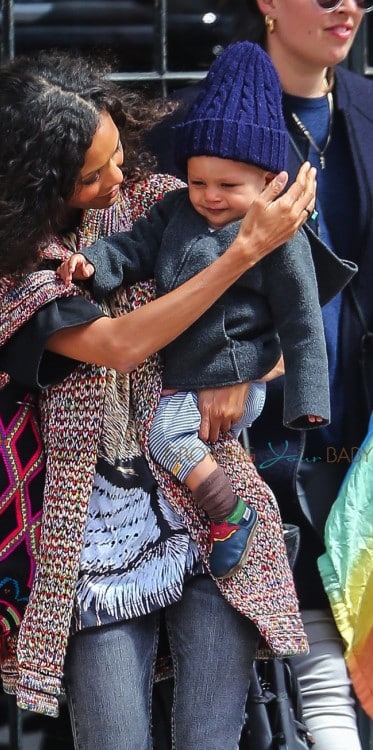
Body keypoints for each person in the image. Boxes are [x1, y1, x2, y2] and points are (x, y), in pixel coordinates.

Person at [0, 50, 316, 750]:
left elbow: (283, 319)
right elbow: (115, 344)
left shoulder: (159, 199)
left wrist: (245, 366)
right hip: (87, 535)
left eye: (118, 153)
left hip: (209, 504)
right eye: (93, 173)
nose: (119, 179)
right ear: (38, 182)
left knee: (211, 738)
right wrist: (237, 256)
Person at [149, 2, 373, 748]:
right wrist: (231, 365)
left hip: (348, 411)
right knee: (233, 647)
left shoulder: (366, 110)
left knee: (333, 616)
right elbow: (155, 270)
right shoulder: (199, 125)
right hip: (228, 428)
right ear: (267, 4)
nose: (345, 4)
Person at [57, 41, 356, 582]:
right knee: (167, 442)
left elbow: (303, 323)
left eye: (229, 186)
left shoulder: (280, 242)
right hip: (183, 371)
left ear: (269, 183)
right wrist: (91, 266)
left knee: (166, 438)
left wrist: (310, 402)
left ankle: (230, 516)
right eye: (198, 182)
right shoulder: (175, 211)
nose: (210, 197)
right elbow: (131, 246)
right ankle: (204, 522)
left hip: (235, 371)